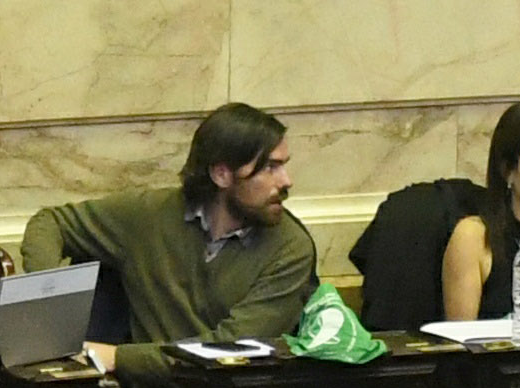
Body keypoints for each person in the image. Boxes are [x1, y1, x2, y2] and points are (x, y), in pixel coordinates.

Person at [31, 107, 320, 353]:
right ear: (221, 174)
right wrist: (48, 292)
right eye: (270, 168)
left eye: (283, 166)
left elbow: (230, 349)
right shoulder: (149, 214)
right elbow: (50, 223)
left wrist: (118, 359)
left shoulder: (290, 248)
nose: (286, 181)